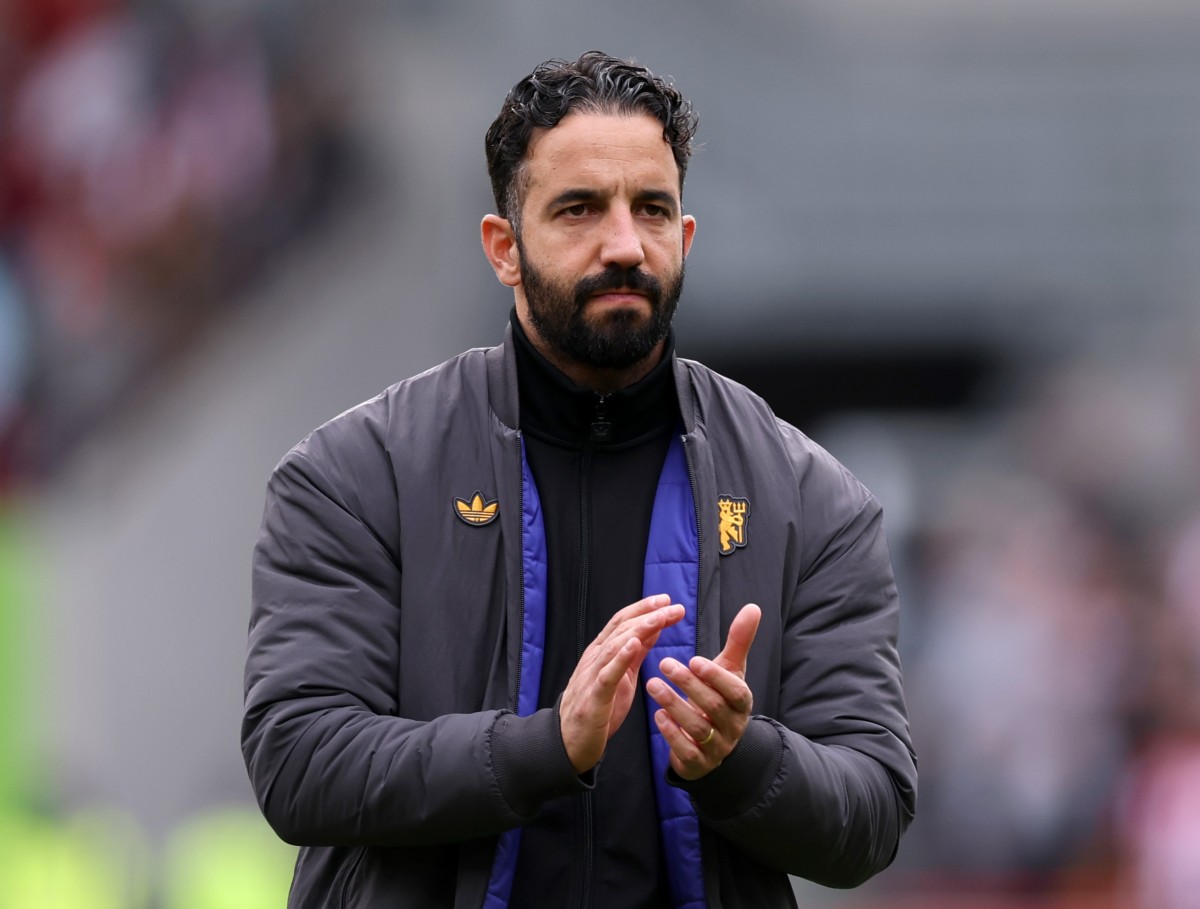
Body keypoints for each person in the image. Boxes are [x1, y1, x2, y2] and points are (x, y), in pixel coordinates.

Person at [242, 51, 917, 909]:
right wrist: (543, 748)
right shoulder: (354, 476)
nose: (626, 244)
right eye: (579, 210)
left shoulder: (812, 501)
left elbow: (874, 809)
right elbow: (299, 762)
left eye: (653, 209)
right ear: (504, 248)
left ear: (687, 237)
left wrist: (740, 758)